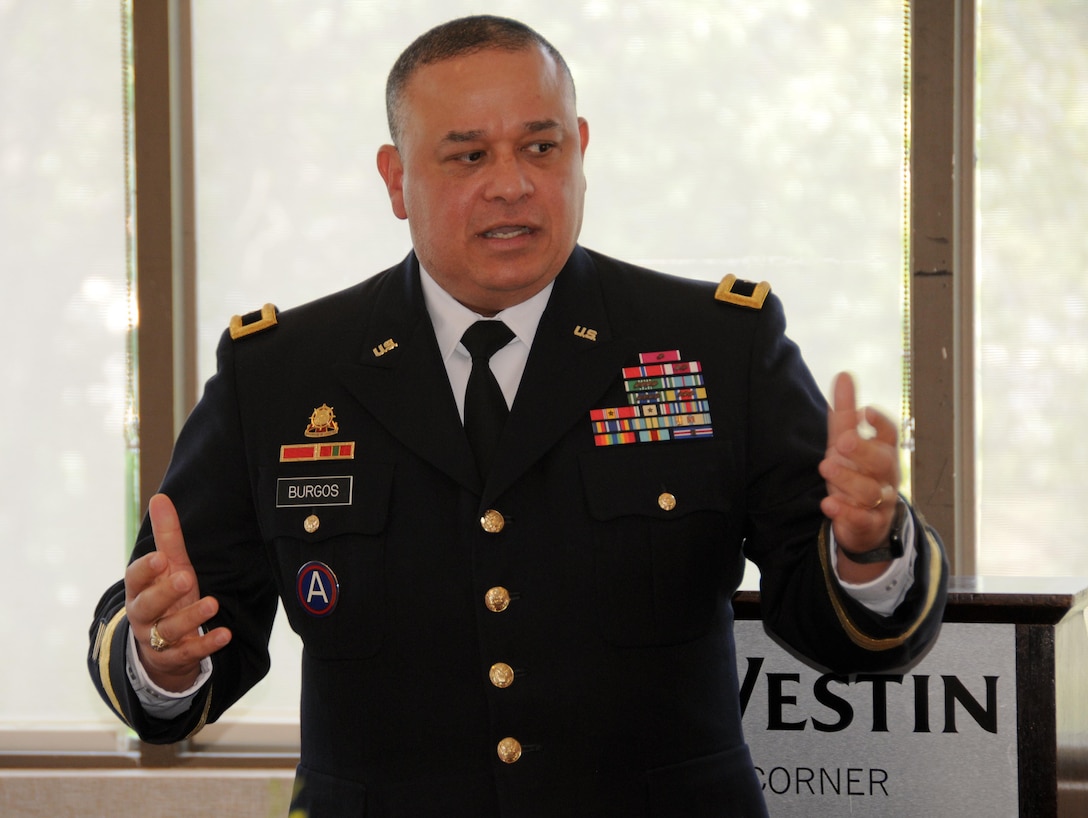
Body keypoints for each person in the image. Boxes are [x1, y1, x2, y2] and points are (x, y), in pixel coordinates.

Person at [88, 14, 947, 817]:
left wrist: (866, 551)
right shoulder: (283, 372)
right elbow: (181, 629)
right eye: (467, 158)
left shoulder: (713, 346)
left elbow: (846, 630)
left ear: (580, 151)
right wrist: (161, 658)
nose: (511, 184)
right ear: (396, 179)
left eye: (540, 147)